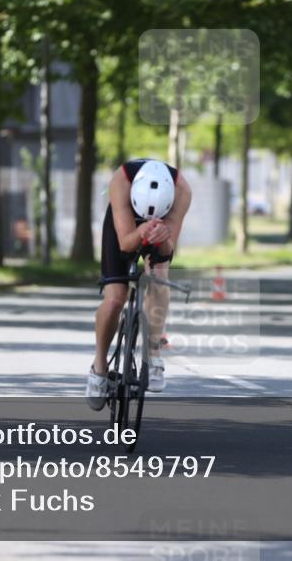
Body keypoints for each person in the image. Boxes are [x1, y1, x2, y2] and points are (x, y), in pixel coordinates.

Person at [87, 158, 192, 411]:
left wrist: (163, 237)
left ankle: (153, 355)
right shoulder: (121, 180)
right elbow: (125, 244)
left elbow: (167, 251)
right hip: (123, 227)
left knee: (159, 277)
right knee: (115, 298)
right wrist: (141, 231)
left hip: (162, 228)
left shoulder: (182, 191)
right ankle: (99, 368)